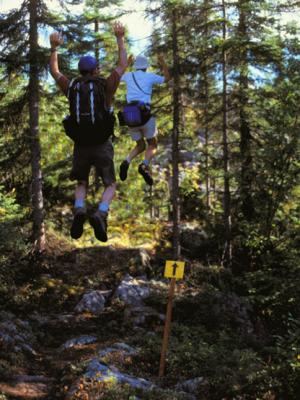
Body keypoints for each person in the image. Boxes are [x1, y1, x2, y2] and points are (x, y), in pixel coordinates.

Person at [49, 22, 127, 242]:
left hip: (81, 144)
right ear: (95, 70)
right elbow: (122, 65)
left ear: (81, 71)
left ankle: (80, 210)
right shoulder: (105, 85)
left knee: (81, 182)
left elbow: (55, 71)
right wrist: (119, 38)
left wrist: (54, 47)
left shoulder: (72, 86)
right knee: (110, 184)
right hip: (102, 143)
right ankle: (101, 213)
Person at [119, 54, 170, 186]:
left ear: (135, 66)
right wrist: (163, 62)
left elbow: (117, 77)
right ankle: (144, 165)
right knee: (152, 144)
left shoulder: (129, 75)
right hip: (144, 115)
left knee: (140, 145)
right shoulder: (150, 76)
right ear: (146, 67)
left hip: (130, 116)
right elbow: (167, 78)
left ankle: (127, 161)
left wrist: (126, 64)